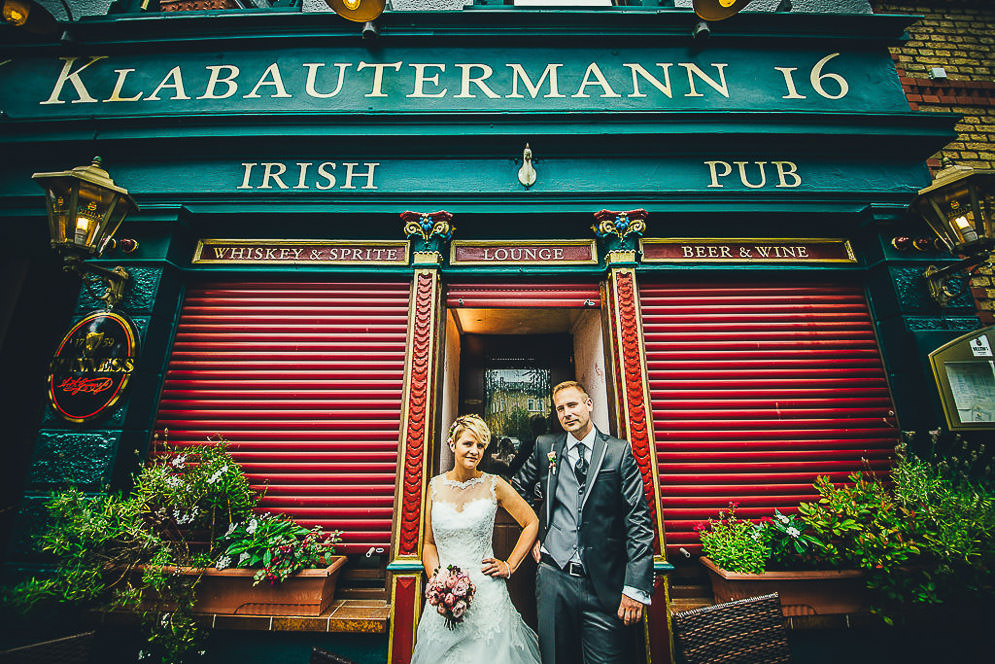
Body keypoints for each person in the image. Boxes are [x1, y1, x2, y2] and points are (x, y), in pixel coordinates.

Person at [513, 381, 654, 664]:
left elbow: (638, 520)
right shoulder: (545, 447)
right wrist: (537, 530)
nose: (567, 413)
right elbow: (516, 488)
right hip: (554, 577)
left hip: (604, 581)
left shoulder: (618, 452)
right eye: (560, 408)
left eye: (573, 405)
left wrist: (635, 587)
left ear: (588, 405)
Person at [411, 414, 541, 664]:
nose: (475, 451)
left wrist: (509, 565)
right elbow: (428, 544)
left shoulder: (494, 484)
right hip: (444, 598)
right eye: (468, 444)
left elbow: (531, 522)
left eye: (481, 445)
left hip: (487, 596)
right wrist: (438, 581)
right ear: (452, 444)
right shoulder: (434, 486)